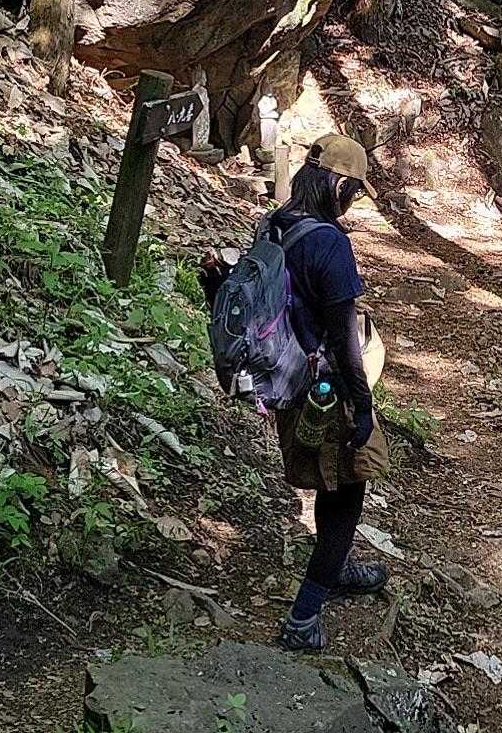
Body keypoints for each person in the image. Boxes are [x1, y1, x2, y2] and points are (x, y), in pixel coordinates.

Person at [201, 133, 391, 651]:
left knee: (333, 483)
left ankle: (336, 565)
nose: (354, 201)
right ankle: (304, 617)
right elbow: (345, 339)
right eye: (354, 190)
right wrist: (362, 408)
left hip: (285, 377)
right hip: (324, 388)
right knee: (347, 491)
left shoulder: (277, 222)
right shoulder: (330, 243)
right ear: (338, 184)